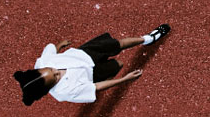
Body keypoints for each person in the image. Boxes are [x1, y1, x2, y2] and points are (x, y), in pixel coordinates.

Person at [13, 25, 170, 106]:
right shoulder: (64, 92)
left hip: (87, 52)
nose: (56, 70)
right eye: (55, 76)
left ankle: (148, 38)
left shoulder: (43, 62)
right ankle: (105, 76)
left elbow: (51, 49)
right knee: (119, 64)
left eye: (51, 69)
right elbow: (97, 87)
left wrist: (60, 45)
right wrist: (124, 80)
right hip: (93, 73)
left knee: (119, 44)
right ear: (49, 88)